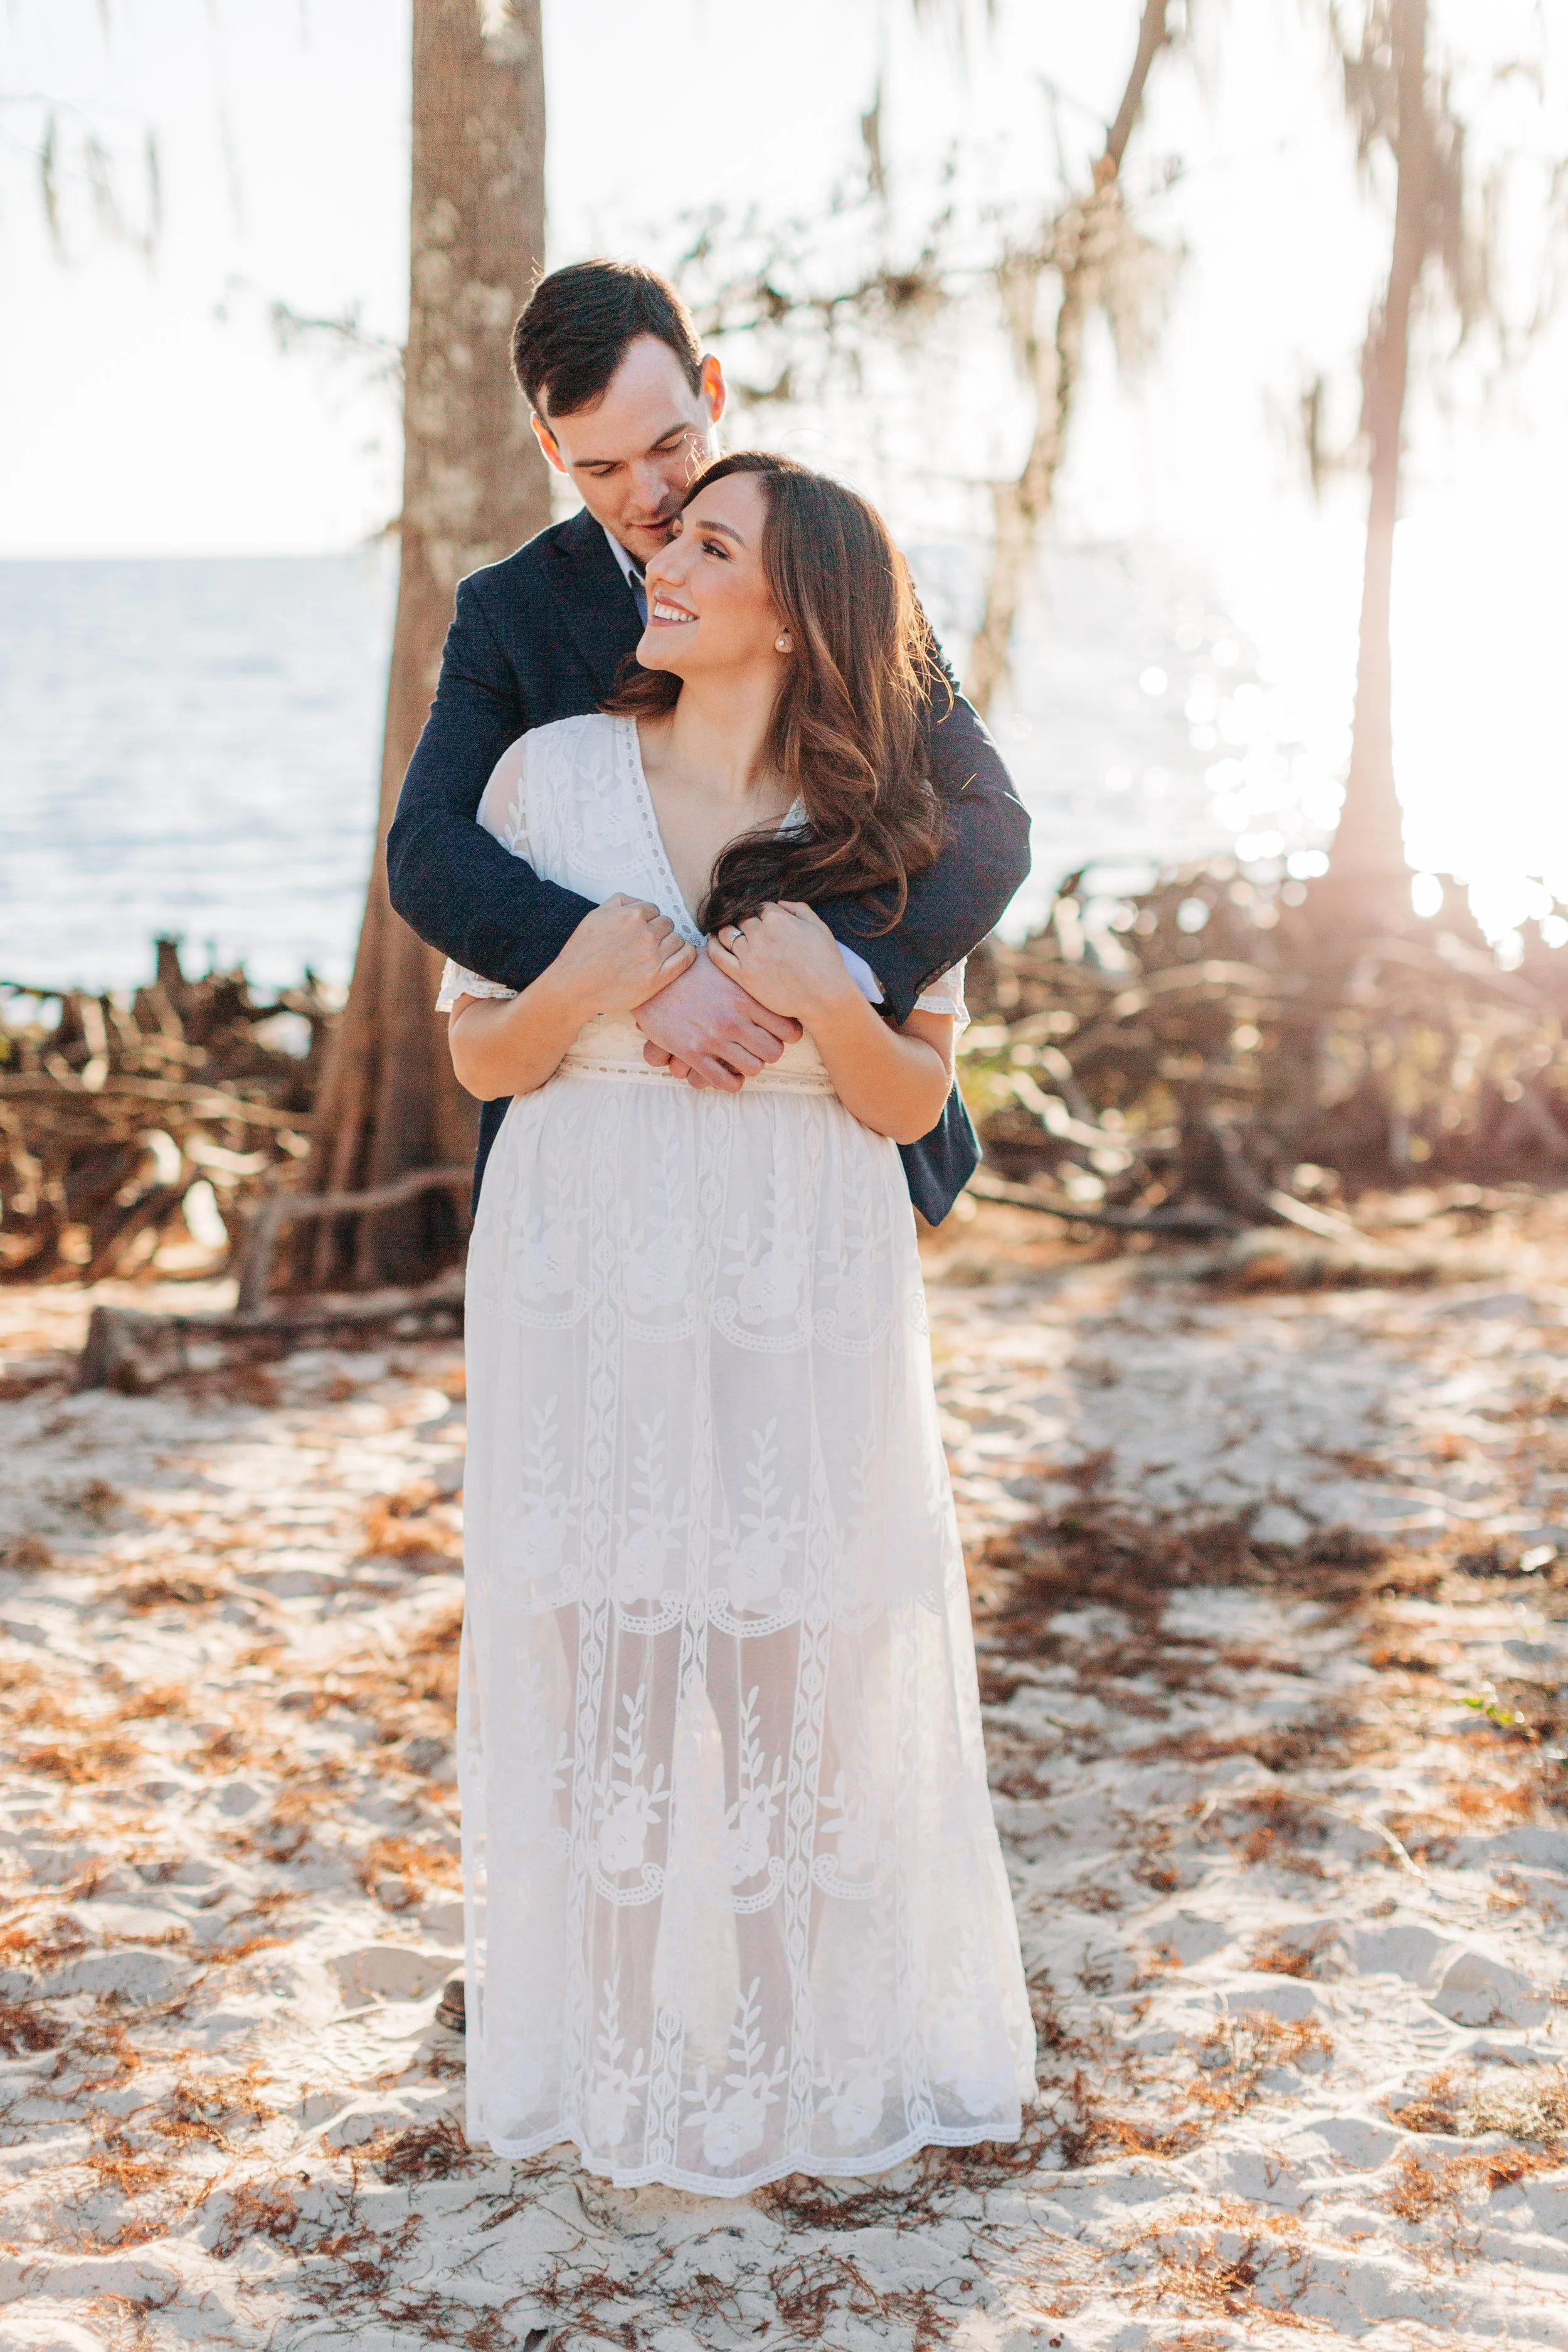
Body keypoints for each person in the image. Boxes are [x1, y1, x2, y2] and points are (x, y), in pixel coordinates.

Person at [439, 452, 1034, 2193]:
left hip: (798, 1250)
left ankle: (784, 2052)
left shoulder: (893, 832)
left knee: (795, 1636)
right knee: (598, 1619)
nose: (663, 561)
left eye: (709, 544)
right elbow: (480, 1053)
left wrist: (804, 996)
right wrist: (587, 975)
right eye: (668, 536)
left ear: (802, 610)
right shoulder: (548, 779)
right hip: (591, 1243)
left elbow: (912, 1097)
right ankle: (617, 2050)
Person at [385, 258, 1032, 1227]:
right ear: (549, 447)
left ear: (713, 389)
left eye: (670, 447)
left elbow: (990, 823)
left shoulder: (827, 568)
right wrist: (639, 974)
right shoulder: (508, 613)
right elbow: (427, 852)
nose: (648, 498)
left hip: (818, 1145)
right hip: (590, 1157)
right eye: (600, 467)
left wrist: (821, 983)